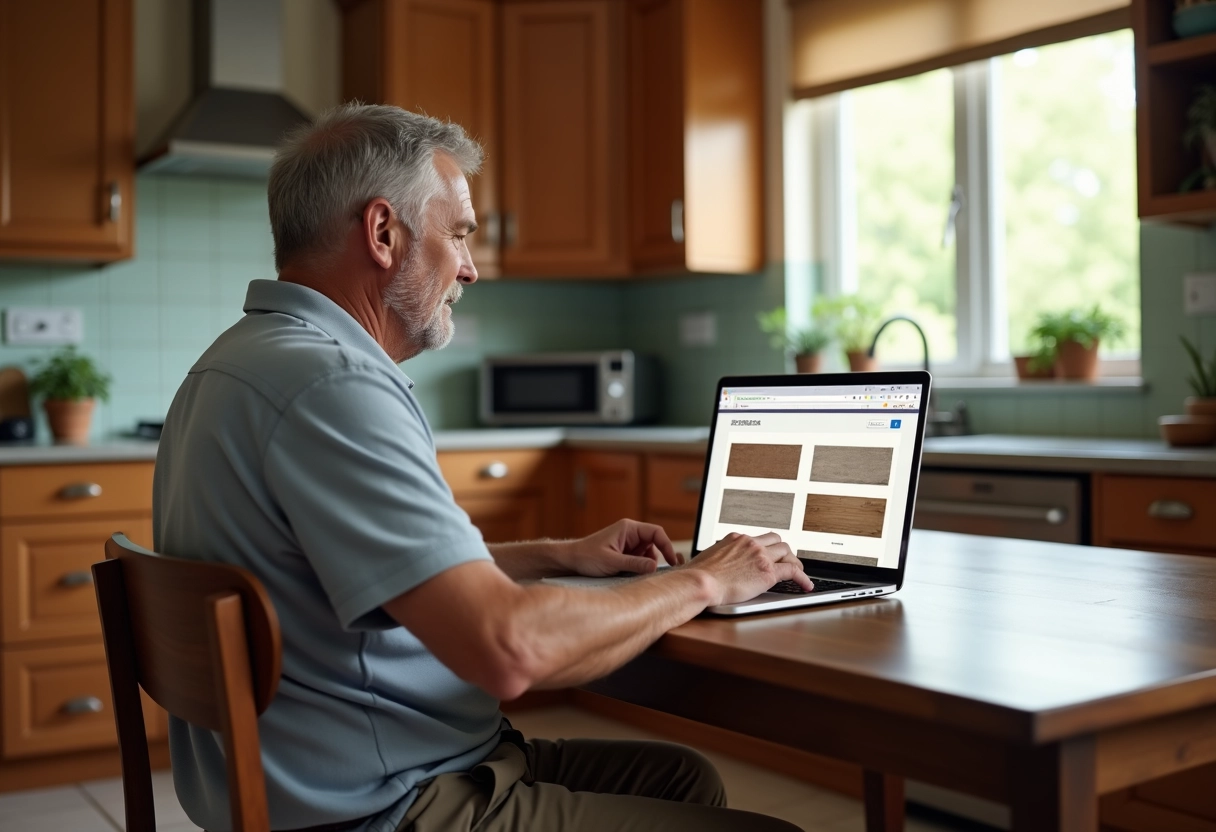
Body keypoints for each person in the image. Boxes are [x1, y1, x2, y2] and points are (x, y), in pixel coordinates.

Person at [153, 103, 811, 832]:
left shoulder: (233, 363)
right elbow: (510, 650)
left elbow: (333, 573)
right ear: (382, 233)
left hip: (339, 776)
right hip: (390, 802)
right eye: (459, 233)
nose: (469, 266)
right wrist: (705, 578)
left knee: (681, 778)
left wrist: (552, 555)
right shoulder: (333, 385)